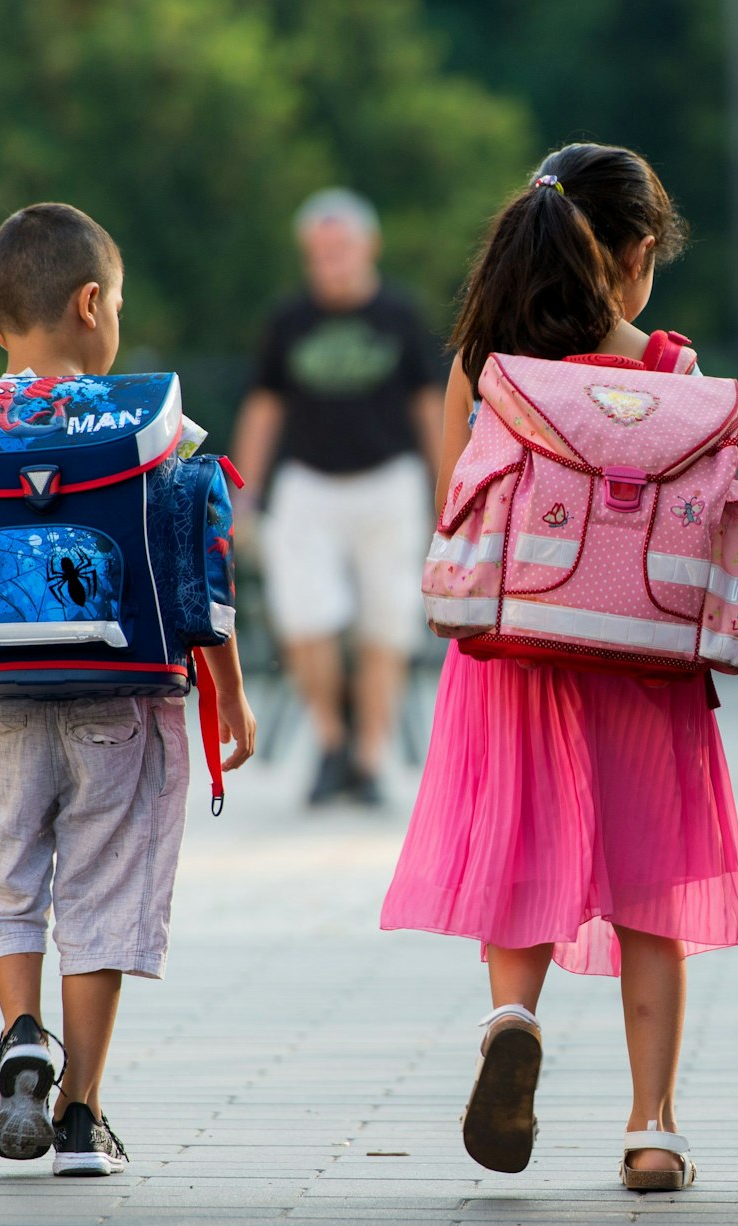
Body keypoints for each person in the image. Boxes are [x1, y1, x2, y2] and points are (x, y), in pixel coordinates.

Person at [381, 144, 738, 1193]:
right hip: (645, 664)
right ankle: (651, 1127)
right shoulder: (672, 372)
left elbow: (460, 503)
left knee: (520, 857)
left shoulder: (484, 366)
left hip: (512, 656)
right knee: (651, 894)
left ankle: (511, 1017)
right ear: (634, 254)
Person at [0, 203, 258, 1177]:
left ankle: (21, 1032)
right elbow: (199, 578)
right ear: (93, 304)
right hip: (119, 698)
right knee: (101, 890)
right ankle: (82, 1113)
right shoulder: (148, 425)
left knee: (11, 877)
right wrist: (231, 700)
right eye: (115, 301)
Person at [232, 189, 444, 806]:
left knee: (388, 619)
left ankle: (371, 754)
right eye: (318, 253)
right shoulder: (288, 320)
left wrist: (446, 492)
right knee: (304, 617)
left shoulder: (401, 316)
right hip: (309, 484)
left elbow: (429, 408)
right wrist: (246, 496)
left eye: (340, 249)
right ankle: (329, 740)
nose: (330, 263)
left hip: (389, 481)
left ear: (367, 247)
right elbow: (264, 407)